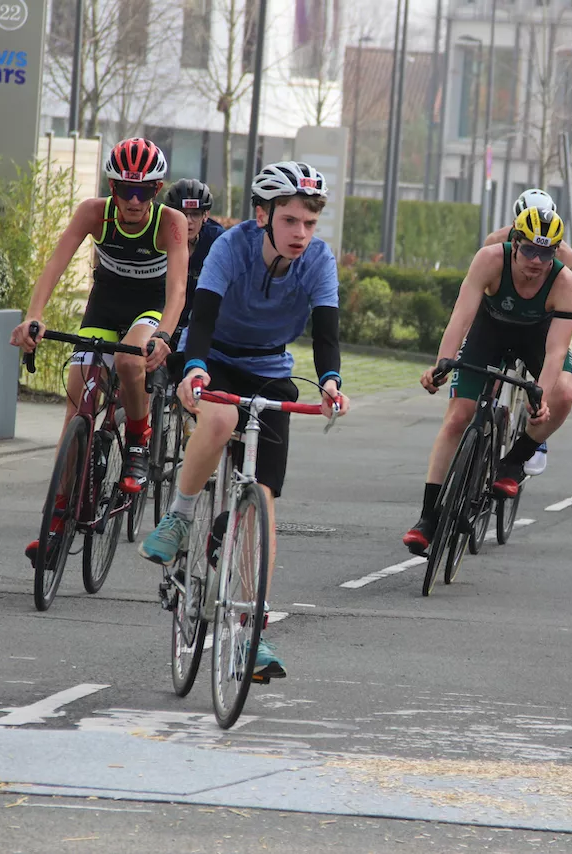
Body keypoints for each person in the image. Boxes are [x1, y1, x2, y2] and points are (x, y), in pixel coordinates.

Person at [138, 161, 350, 682]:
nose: (301, 233)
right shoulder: (230, 248)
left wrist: (330, 382)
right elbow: (203, 317)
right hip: (213, 358)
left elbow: (326, 333)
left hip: (271, 369)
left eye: (310, 223)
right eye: (290, 220)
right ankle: (180, 517)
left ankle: (249, 633)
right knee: (220, 419)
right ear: (263, 215)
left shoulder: (318, 260)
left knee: (263, 505)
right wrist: (193, 368)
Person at [11, 137, 188, 566]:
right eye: (124, 189)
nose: (133, 200)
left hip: (149, 306)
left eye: (142, 191)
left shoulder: (171, 222)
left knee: (128, 359)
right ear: (112, 187)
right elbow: (55, 265)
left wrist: (164, 336)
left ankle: (139, 437)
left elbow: (178, 290)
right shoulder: (94, 212)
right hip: (105, 303)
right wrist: (34, 316)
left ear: (157, 189)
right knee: (76, 405)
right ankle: (55, 524)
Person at [402, 206, 572, 556]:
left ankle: (514, 461)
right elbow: (461, 316)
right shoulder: (490, 259)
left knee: (564, 393)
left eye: (545, 254)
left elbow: (556, 351)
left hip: (538, 339)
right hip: (490, 332)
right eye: (529, 250)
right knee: (458, 416)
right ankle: (427, 518)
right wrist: (442, 364)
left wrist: (539, 397)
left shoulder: (566, 283)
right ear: (515, 242)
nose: (536, 261)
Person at [480, 188, 572, 476]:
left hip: (539, 324)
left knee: (552, 381)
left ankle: (535, 436)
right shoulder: (495, 242)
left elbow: (563, 304)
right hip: (501, 318)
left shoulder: (565, 255)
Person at [163, 178, 226, 338]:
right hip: (160, 319)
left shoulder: (218, 241)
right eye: (182, 214)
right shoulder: (158, 236)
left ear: (206, 215)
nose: (188, 221)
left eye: (195, 214)